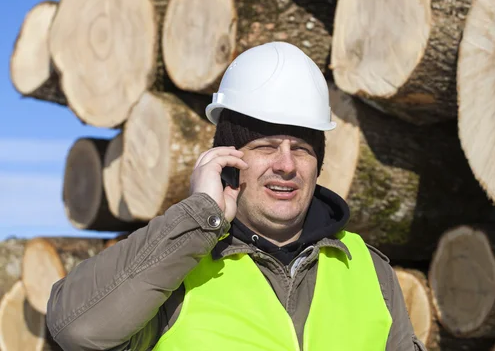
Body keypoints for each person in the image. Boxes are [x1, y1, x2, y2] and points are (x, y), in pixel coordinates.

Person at [46, 41, 427, 351]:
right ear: (228, 159)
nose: (286, 165)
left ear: (318, 164)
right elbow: (76, 328)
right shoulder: (177, 266)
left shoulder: (368, 269)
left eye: (302, 149)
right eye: (265, 146)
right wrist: (199, 215)